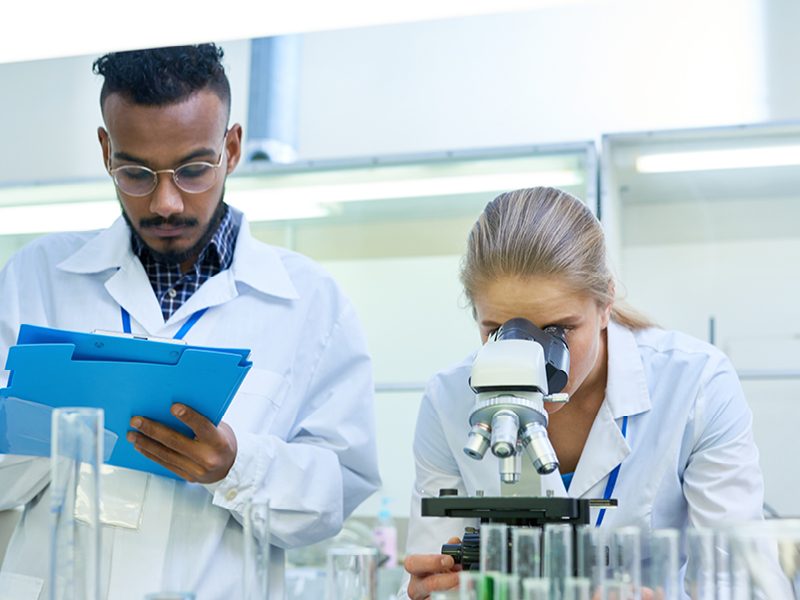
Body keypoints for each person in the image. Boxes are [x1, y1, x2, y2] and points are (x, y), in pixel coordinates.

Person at [0, 44, 380, 600]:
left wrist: (235, 464)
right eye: (134, 172)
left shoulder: (310, 303)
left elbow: (334, 497)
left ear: (232, 147)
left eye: (193, 169)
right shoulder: (36, 277)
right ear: (106, 150)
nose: (167, 201)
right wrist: (64, 439)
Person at [401, 187, 764, 599]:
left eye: (559, 331)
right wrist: (435, 589)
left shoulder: (695, 383)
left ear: (605, 301)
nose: (534, 360)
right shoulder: (449, 399)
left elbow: (741, 583)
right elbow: (432, 574)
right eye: (498, 332)